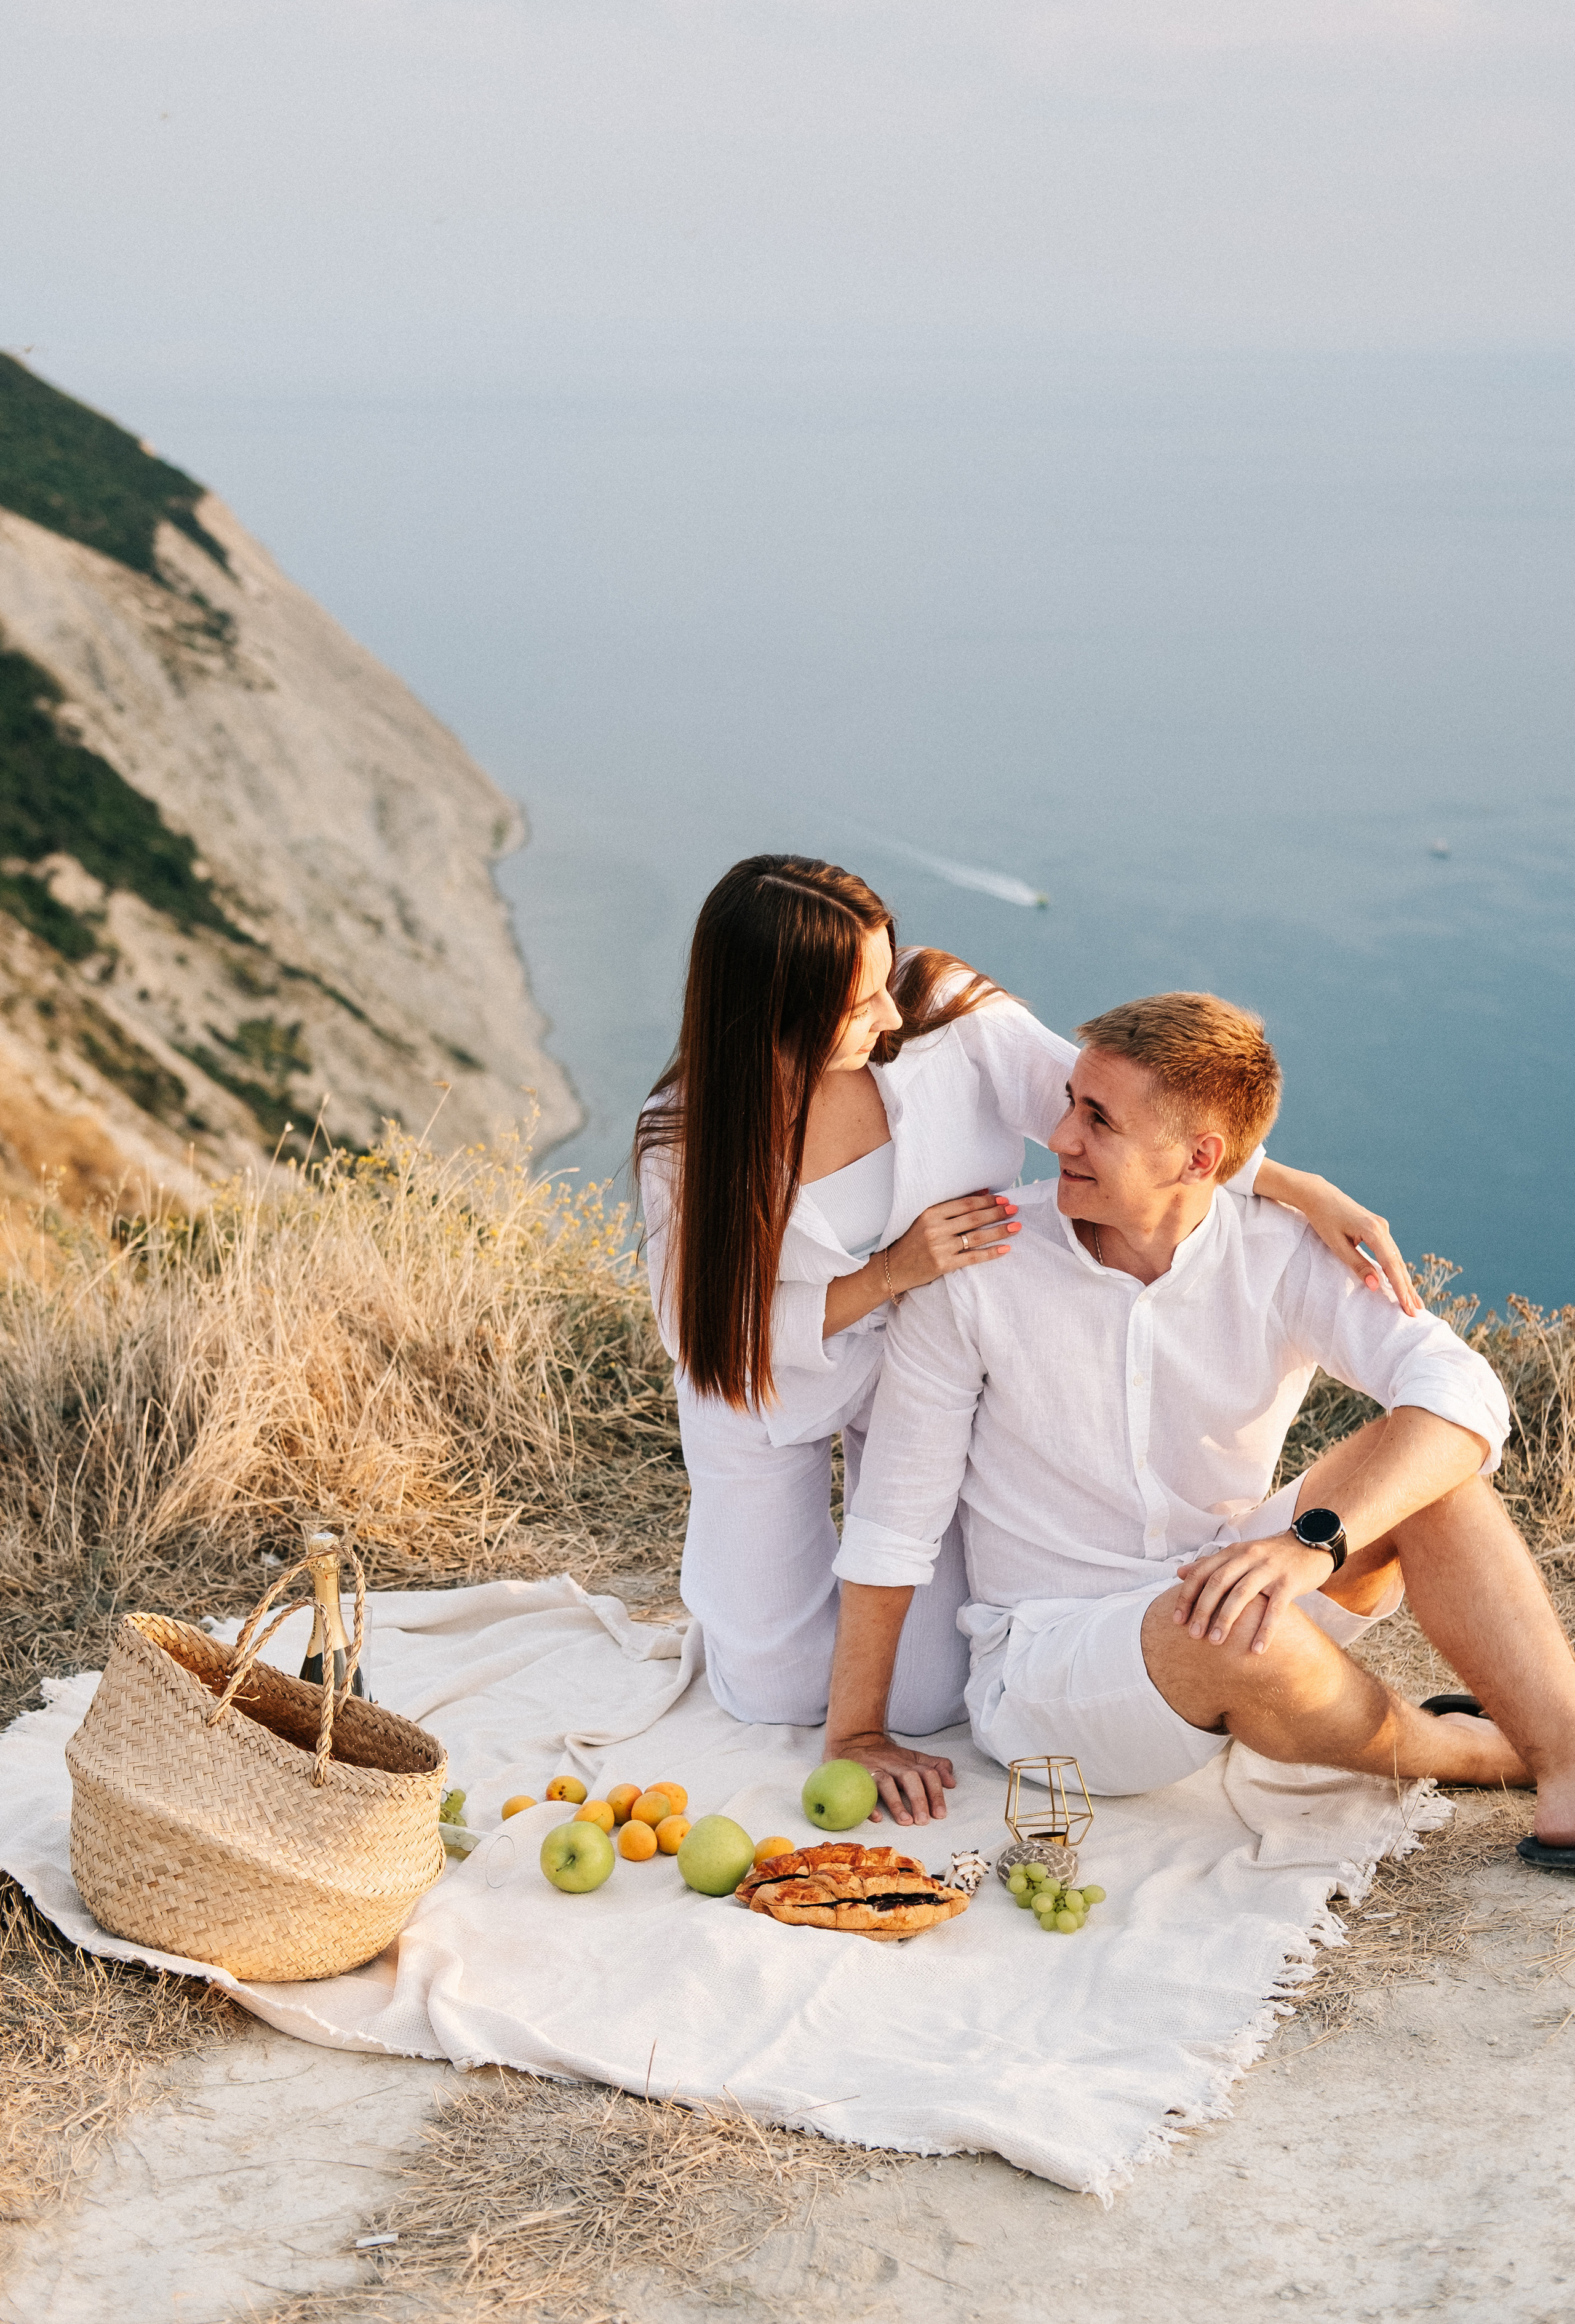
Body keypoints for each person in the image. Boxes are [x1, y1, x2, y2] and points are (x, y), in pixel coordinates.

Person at [637, 858, 1418, 1735]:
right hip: (764, 1381)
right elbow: (704, 1332)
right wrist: (889, 1272)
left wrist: (1295, 1184)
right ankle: (744, 1594)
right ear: (777, 1012)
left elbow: (1125, 1118)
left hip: (926, 1369)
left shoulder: (945, 1019)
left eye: (882, 977)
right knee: (773, 1696)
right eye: (858, 1006)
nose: (889, 1014)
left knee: (928, 1700)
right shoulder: (686, 1139)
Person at [825, 989, 1575, 1877]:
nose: (1060, 1135)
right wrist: (857, 1729)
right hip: (1051, 1665)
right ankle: (1479, 1753)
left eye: (1097, 1119)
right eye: (1070, 1101)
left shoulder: (1281, 1247)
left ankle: (1566, 1766)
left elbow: (1463, 1388)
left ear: (1200, 1157)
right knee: (1230, 1628)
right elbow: (896, 1516)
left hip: (1226, 1574)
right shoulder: (981, 1263)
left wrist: (1310, 1546)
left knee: (1435, 1468)